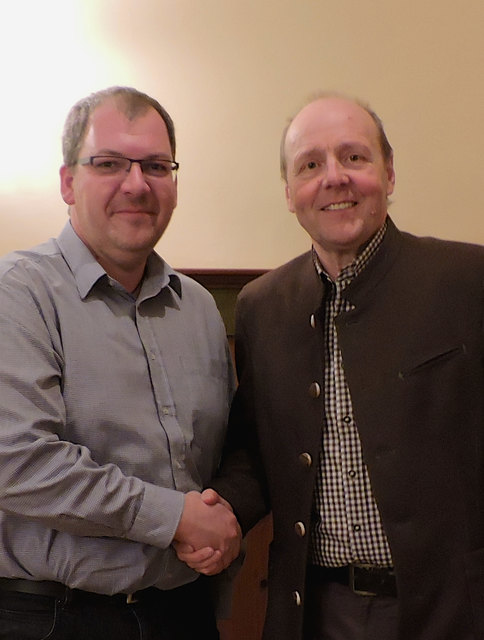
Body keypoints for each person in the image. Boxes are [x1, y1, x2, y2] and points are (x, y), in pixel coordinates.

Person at [178, 93, 484, 639]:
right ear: (290, 193)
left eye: (355, 157)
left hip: (453, 608)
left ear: (389, 174)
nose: (334, 178)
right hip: (315, 611)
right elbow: (255, 448)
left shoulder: (467, 282)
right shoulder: (261, 305)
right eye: (311, 165)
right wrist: (221, 511)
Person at [0, 86, 241, 640]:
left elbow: (226, 453)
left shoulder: (201, 309)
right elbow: (19, 461)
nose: (137, 184)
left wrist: (221, 527)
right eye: (109, 164)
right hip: (55, 618)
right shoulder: (20, 294)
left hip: (184, 612)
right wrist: (175, 518)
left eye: (156, 166)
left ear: (175, 184)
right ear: (68, 182)